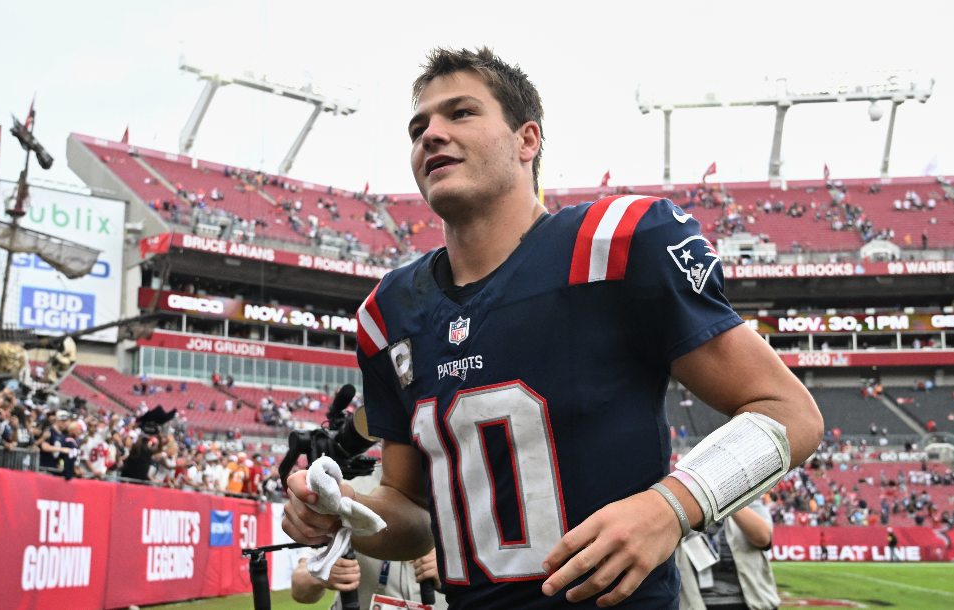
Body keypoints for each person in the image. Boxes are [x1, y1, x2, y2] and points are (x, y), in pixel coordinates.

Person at [282, 47, 823, 608]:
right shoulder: (390, 310)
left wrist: (670, 506)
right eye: (418, 126)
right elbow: (413, 511)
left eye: (461, 113)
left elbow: (790, 412)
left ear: (527, 140)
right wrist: (342, 510)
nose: (431, 134)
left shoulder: (611, 248)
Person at [291, 465, 447, 610]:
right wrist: (322, 575)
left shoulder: (454, 489)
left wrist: (449, 571)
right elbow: (299, 587)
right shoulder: (345, 489)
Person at [676, 500, 779, 610]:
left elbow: (763, 539)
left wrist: (727, 500)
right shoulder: (686, 508)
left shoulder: (752, 504)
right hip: (699, 604)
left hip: (752, 603)